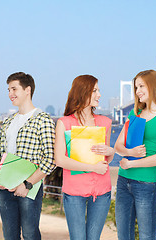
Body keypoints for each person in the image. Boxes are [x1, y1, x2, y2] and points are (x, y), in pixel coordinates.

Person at [0, 72, 56, 240]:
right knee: (9, 235)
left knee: (30, 234)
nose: (10, 94)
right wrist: (0, 176)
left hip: (30, 189)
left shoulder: (43, 120)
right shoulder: (8, 121)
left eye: (14, 89)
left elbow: (50, 159)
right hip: (6, 189)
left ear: (27, 90)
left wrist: (26, 184)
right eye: (8, 89)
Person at [114, 70, 156, 240]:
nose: (137, 91)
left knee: (147, 236)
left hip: (146, 184)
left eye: (141, 86)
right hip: (123, 180)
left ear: (153, 86)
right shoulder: (135, 113)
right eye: (135, 87)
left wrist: (132, 163)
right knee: (123, 235)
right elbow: (118, 145)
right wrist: (130, 153)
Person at [54, 74, 115, 240]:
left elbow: (106, 159)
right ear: (82, 92)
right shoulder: (64, 123)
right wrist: (92, 168)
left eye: (98, 90)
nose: (99, 95)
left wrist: (111, 152)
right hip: (74, 192)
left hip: (102, 191)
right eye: (94, 90)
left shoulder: (105, 122)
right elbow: (59, 160)